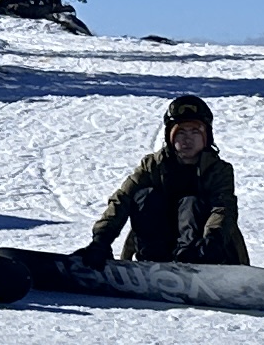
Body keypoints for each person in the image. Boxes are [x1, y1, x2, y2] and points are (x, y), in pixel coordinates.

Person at [77, 93, 246, 267]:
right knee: (145, 196)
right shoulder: (153, 165)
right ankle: (152, 262)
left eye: (195, 131)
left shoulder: (218, 170)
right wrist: (102, 238)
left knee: (191, 202)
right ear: (170, 137)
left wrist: (213, 241)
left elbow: (223, 208)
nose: (187, 139)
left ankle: (189, 259)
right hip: (157, 247)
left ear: (206, 137)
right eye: (181, 132)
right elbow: (123, 199)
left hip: (204, 252)